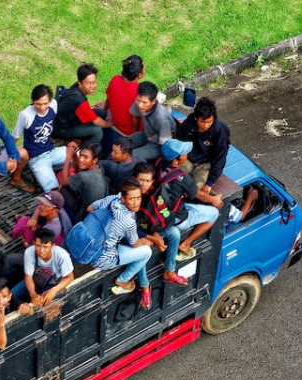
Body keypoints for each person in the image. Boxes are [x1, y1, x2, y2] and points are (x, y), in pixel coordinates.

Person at [147, 139, 223, 274]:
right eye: (184, 153)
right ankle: (186, 243)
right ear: (177, 160)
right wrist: (214, 199)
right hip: (177, 219)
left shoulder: (157, 164)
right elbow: (197, 195)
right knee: (213, 214)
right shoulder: (182, 177)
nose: (187, 154)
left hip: (159, 212)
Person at [88, 179, 155, 309]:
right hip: (103, 259)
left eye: (138, 198)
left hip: (91, 250)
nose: (136, 202)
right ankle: (123, 280)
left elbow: (90, 208)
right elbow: (135, 244)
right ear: (123, 199)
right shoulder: (127, 221)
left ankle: (144, 285)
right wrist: (146, 241)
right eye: (132, 199)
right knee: (146, 251)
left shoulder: (111, 199)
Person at [10, 85, 69, 192]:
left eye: (45, 103)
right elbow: (15, 137)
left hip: (52, 151)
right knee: (53, 191)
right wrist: (9, 157)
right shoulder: (25, 115)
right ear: (33, 101)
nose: (42, 107)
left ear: (50, 101)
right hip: (37, 158)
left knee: (78, 155)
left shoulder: (53, 105)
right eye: (38, 104)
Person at [4, 228, 75, 310]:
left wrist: (53, 291)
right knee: (12, 295)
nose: (41, 250)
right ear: (34, 243)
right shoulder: (29, 252)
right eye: (38, 246)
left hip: (53, 284)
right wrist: (33, 294)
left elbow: (70, 277)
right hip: (35, 279)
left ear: (52, 246)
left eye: (45, 247)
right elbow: (28, 276)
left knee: (42, 303)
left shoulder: (62, 256)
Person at [174, 96, 231, 196]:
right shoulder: (188, 124)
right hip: (188, 159)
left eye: (209, 122)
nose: (205, 126)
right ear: (196, 118)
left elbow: (220, 158)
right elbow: (179, 142)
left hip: (206, 163)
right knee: (176, 179)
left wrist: (209, 183)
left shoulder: (221, 131)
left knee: (195, 190)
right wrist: (180, 156)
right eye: (202, 122)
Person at [56, 64, 111, 145]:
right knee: (97, 131)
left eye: (94, 82)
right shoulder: (79, 100)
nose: (92, 86)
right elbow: (96, 121)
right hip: (63, 129)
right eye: (88, 83)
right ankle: (89, 150)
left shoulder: (76, 87)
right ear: (80, 83)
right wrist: (109, 124)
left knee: (102, 113)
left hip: (72, 118)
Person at [58, 142, 107, 222]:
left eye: (85, 157)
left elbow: (63, 181)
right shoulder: (99, 168)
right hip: (97, 209)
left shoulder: (84, 176)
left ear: (95, 160)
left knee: (62, 187)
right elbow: (78, 171)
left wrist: (68, 157)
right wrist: (74, 155)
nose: (81, 159)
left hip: (85, 213)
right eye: (80, 155)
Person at [127, 81, 173, 161]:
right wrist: (134, 132)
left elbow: (166, 144)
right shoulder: (139, 102)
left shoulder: (161, 118)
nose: (140, 105)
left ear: (153, 101)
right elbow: (136, 117)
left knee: (130, 156)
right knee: (121, 145)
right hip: (146, 135)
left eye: (144, 102)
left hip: (158, 144)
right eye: (138, 100)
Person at [102, 55, 144, 140]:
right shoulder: (139, 92)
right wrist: (134, 136)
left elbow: (108, 99)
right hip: (127, 132)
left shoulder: (115, 79)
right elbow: (136, 118)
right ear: (139, 75)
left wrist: (104, 111)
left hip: (114, 121)